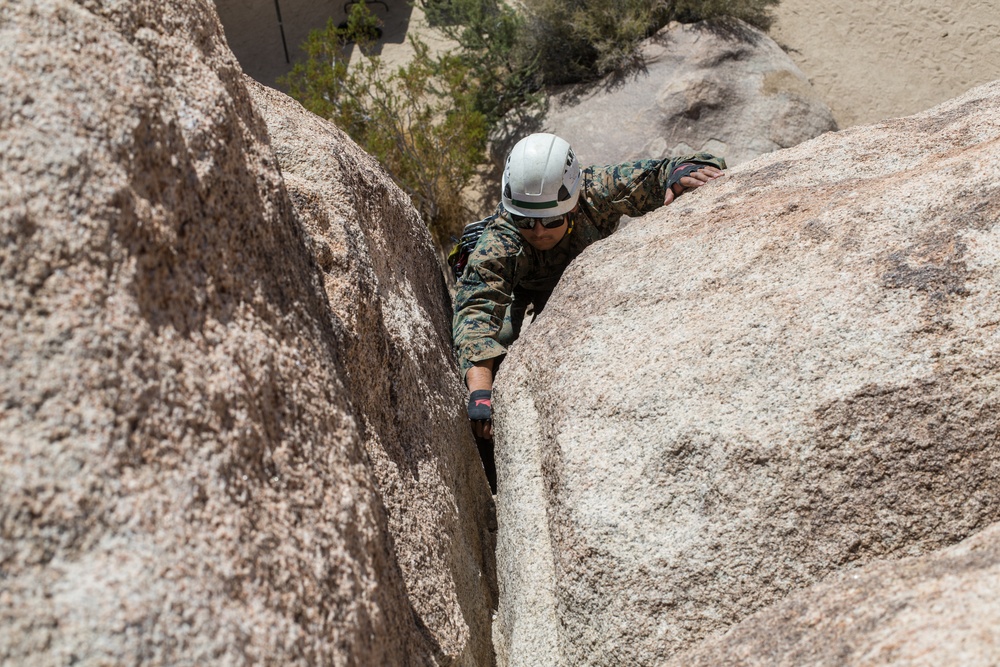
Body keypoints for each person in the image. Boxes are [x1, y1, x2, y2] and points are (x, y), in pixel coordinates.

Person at [452, 132, 726, 491]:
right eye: (526, 221)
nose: (537, 231)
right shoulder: (501, 240)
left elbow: (666, 172)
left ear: (574, 200)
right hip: (518, 286)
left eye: (552, 220)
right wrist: (480, 394)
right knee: (497, 352)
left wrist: (686, 172)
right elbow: (477, 309)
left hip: (583, 280)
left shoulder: (596, 190)